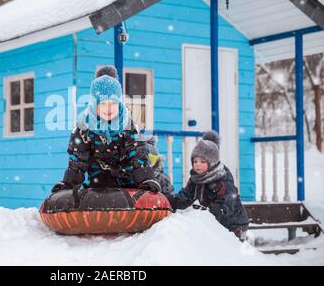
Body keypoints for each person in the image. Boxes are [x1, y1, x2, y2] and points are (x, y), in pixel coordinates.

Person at [51, 65, 161, 193]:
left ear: (119, 103)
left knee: (133, 187)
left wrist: (145, 180)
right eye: (103, 103)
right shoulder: (84, 129)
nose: (108, 108)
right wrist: (68, 185)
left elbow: (138, 155)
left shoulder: (127, 126)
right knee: (103, 188)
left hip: (129, 178)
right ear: (94, 104)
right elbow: (77, 161)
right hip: (100, 180)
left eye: (112, 103)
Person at [165, 131, 249, 241]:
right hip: (215, 223)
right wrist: (169, 200)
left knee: (232, 251)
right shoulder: (195, 179)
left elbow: (225, 207)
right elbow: (185, 197)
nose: (197, 164)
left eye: (202, 161)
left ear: (212, 162)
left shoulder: (223, 180)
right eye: (195, 161)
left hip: (235, 226)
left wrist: (205, 210)